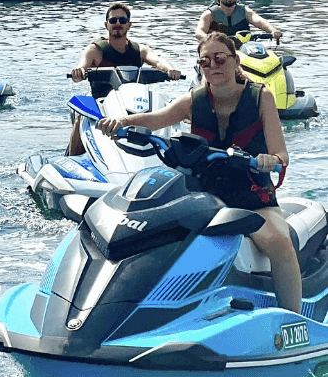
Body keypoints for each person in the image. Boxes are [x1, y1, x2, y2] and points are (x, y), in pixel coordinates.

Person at [96, 32, 299, 313]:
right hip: (204, 199)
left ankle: (294, 320)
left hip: (253, 201)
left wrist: (268, 159)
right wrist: (120, 121)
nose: (213, 66)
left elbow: (282, 154)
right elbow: (157, 119)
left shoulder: (260, 97)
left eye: (219, 59)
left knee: (279, 244)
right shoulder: (195, 100)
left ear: (235, 61)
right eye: (205, 61)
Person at [67, 2, 181, 155]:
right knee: (82, 116)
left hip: (134, 103)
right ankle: (71, 156)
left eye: (122, 20)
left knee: (167, 108)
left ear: (129, 25)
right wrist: (79, 72)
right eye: (113, 21)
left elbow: (158, 61)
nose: (118, 24)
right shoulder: (95, 49)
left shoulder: (139, 50)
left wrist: (170, 69)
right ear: (106, 24)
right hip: (101, 104)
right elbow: (82, 65)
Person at [195, 0, 282, 44]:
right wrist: (210, 39)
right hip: (219, 49)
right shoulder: (209, 14)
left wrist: (273, 31)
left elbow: (259, 21)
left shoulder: (245, 11)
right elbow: (199, 32)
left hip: (244, 46)